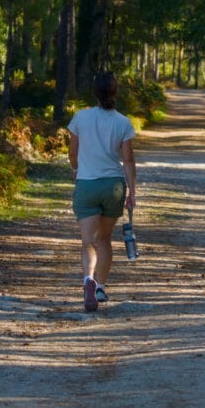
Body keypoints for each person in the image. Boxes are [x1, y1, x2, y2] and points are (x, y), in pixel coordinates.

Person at [67, 71, 137, 312]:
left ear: (95, 92)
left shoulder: (80, 118)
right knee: (104, 240)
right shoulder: (123, 122)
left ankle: (88, 279)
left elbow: (72, 154)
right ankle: (101, 287)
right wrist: (132, 193)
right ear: (115, 93)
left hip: (87, 184)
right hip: (113, 186)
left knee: (88, 241)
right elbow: (128, 160)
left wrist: (77, 169)